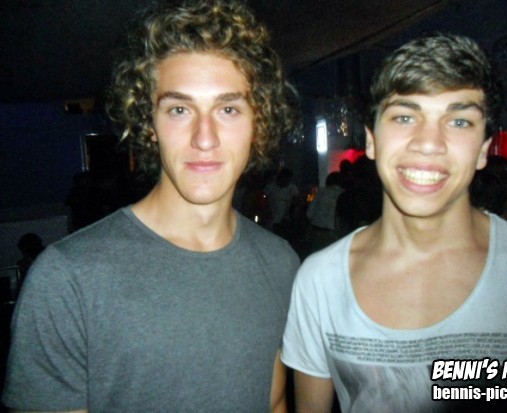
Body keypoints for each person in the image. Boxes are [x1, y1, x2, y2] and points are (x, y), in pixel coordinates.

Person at [2, 1, 300, 412]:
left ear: (258, 123)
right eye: (179, 109)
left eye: (228, 109)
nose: (205, 137)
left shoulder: (281, 263)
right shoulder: (67, 279)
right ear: (149, 123)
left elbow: (274, 401)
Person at [282, 34, 507, 413]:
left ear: (483, 149)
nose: (428, 143)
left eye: (459, 121)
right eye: (405, 117)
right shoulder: (320, 280)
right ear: (372, 140)